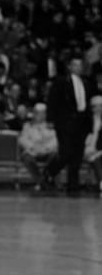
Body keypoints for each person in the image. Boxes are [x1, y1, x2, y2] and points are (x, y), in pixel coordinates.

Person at [46, 55, 92, 195]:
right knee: (66, 153)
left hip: (82, 122)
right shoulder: (61, 81)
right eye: (75, 65)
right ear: (70, 67)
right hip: (65, 122)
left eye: (80, 65)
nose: (79, 67)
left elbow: (88, 103)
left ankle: (73, 186)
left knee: (77, 156)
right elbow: (52, 100)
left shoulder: (87, 82)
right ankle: (49, 171)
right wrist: (51, 119)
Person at [18, 103, 59, 190]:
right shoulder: (28, 125)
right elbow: (22, 139)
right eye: (36, 113)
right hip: (33, 151)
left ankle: (45, 179)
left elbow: (55, 140)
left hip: (47, 151)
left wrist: (45, 148)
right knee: (26, 158)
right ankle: (42, 182)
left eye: (40, 113)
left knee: (56, 156)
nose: (38, 115)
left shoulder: (51, 126)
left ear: (45, 114)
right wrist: (33, 147)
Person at [83, 94, 102, 194]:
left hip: (99, 150)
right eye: (94, 106)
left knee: (96, 158)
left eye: (100, 106)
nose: (97, 109)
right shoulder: (87, 120)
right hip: (88, 148)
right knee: (94, 158)